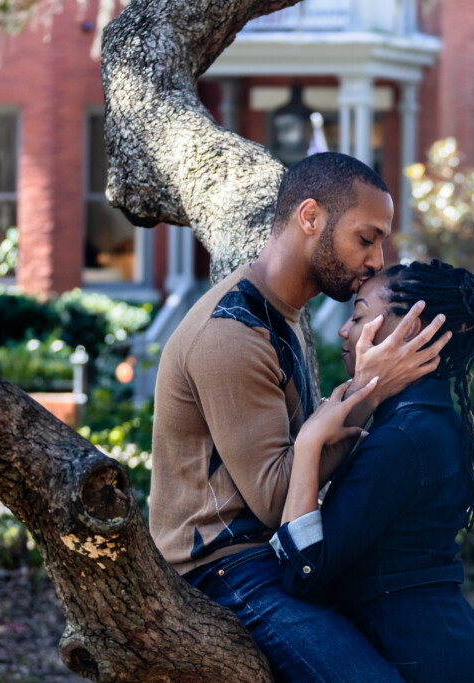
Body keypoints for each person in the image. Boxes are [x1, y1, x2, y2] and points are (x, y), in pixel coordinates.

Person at [149, 153, 451, 682]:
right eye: (366, 238)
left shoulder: (283, 311)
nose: (378, 259)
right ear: (310, 218)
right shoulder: (231, 334)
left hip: (273, 558)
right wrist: (370, 389)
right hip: (223, 568)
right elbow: (272, 502)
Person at [271, 260, 474, 682]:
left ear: (413, 329)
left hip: (428, 664)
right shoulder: (430, 419)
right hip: (449, 651)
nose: (345, 331)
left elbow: (303, 573)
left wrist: (309, 444)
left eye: (359, 315)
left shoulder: (405, 436)